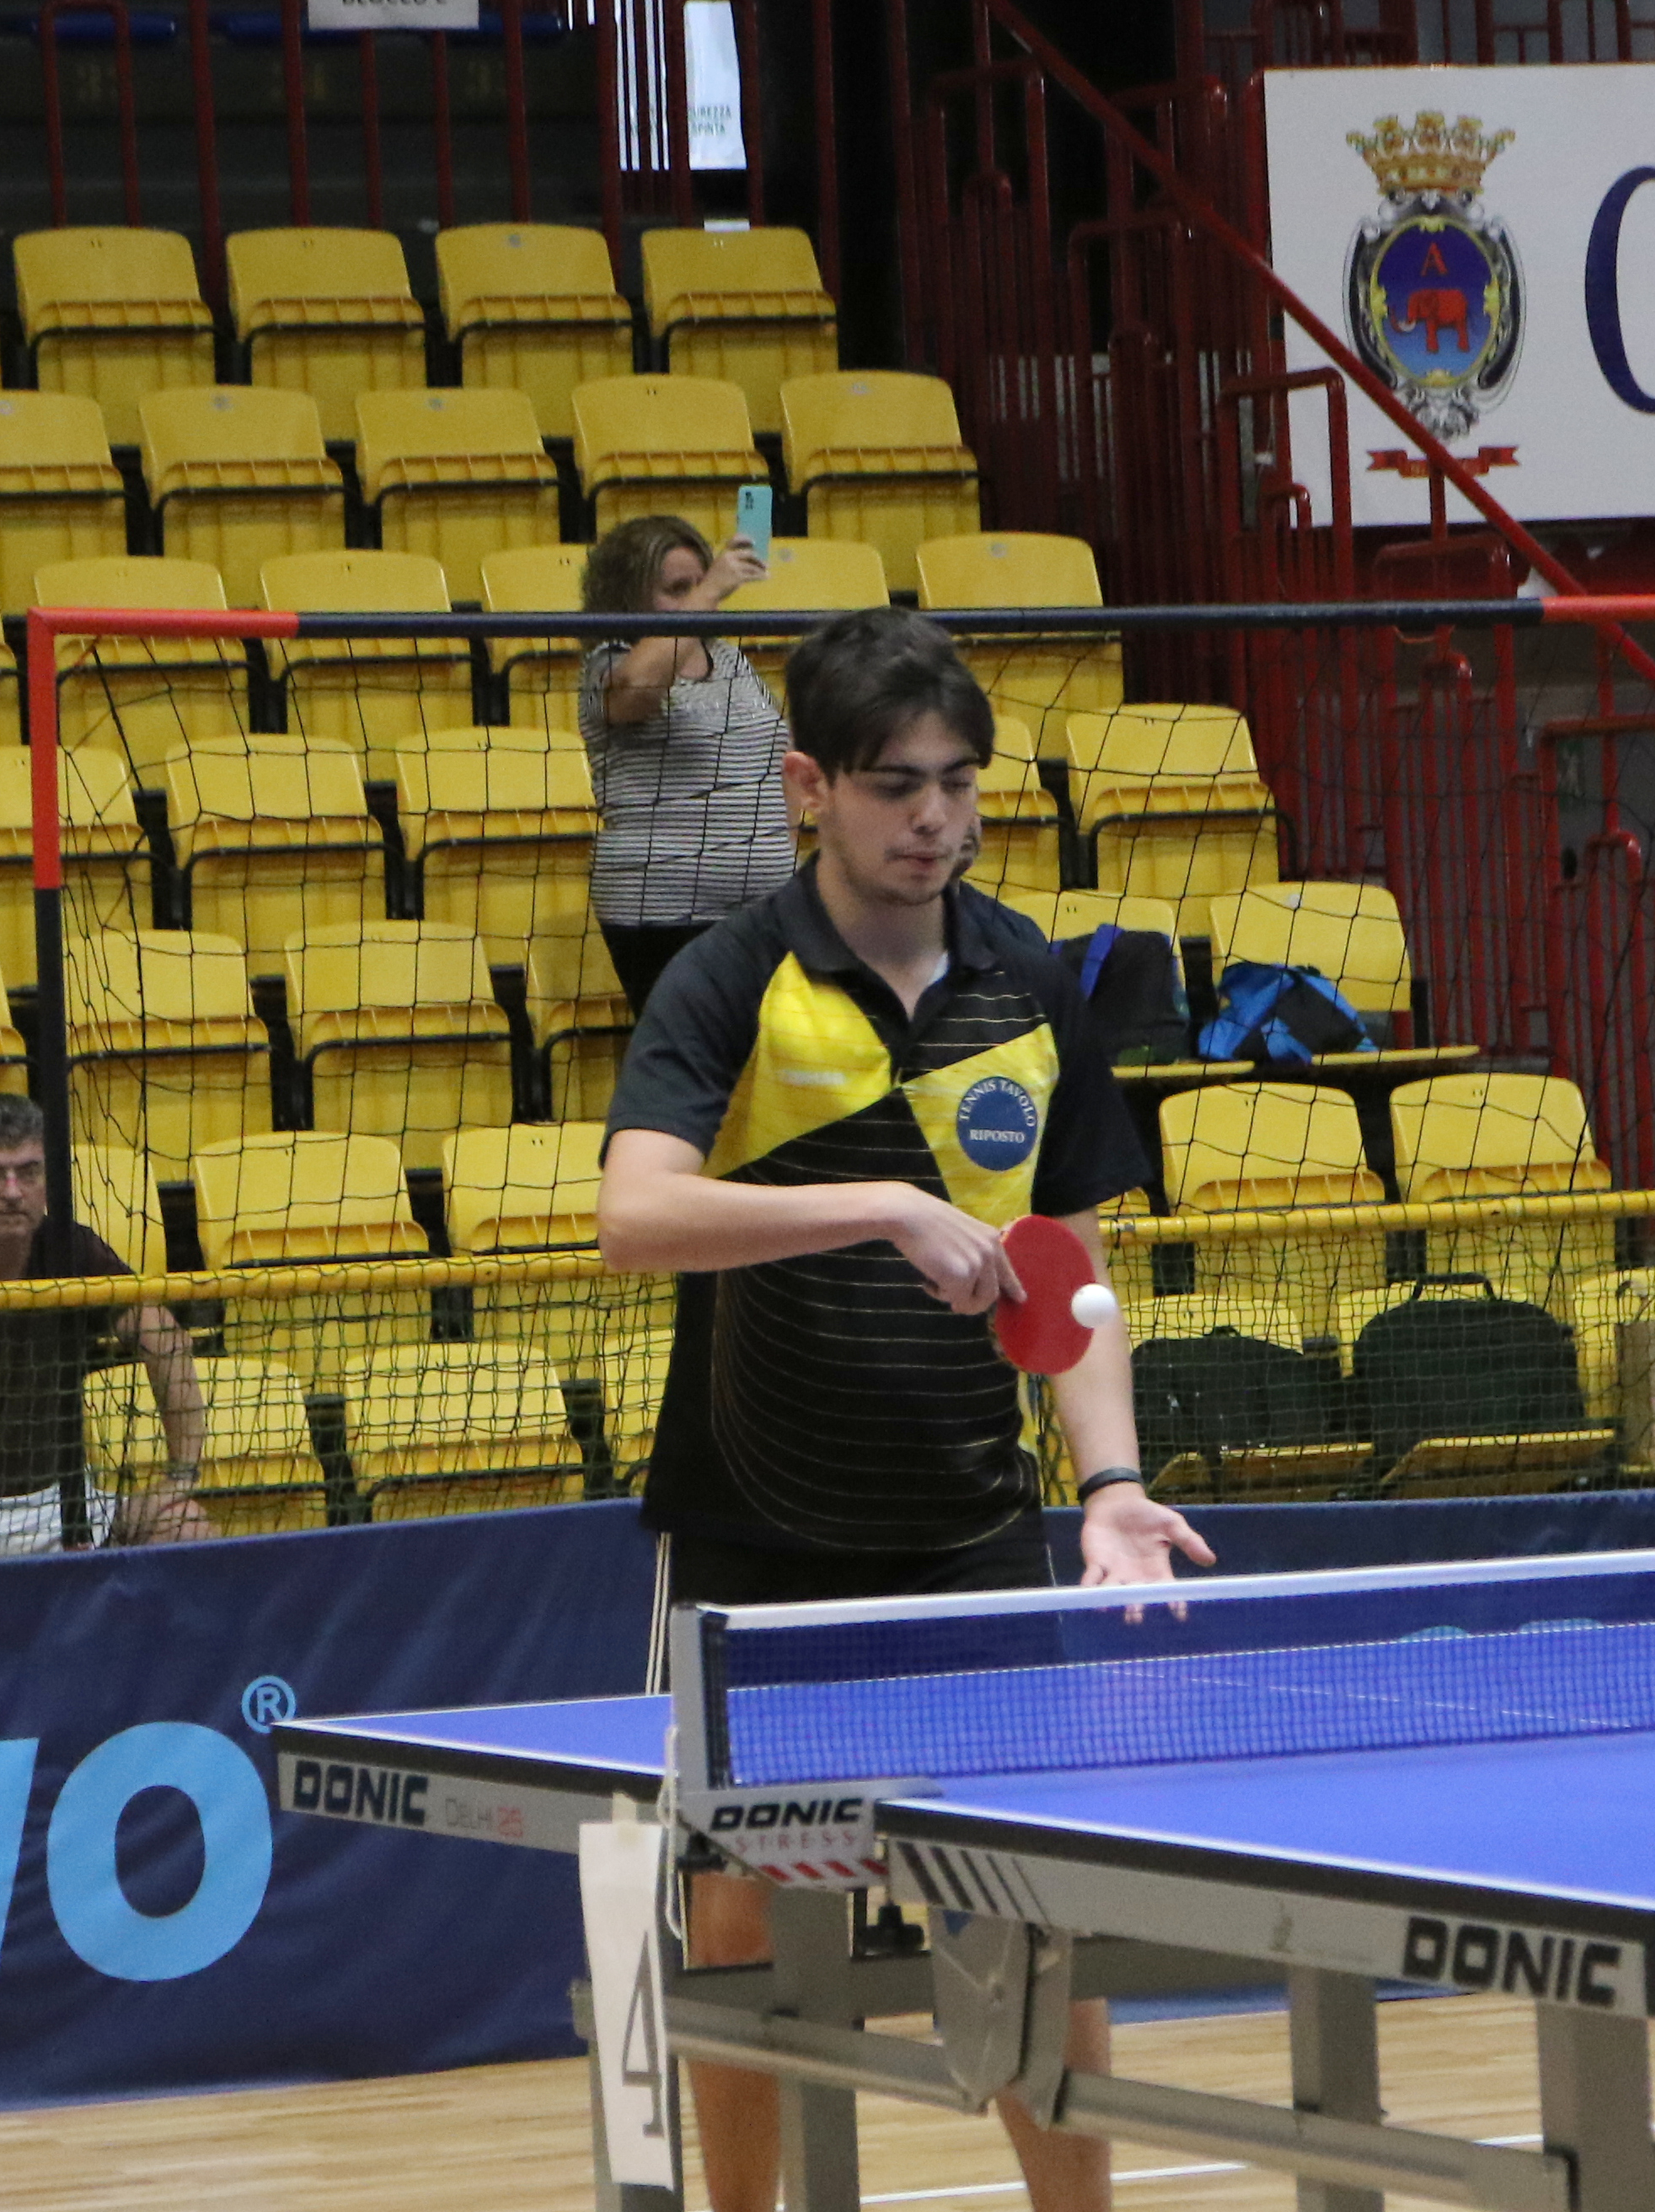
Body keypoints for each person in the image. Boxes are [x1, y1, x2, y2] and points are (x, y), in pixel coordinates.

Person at [597, 605, 1210, 2212]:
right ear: (810, 787)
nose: (933, 817)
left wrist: (1109, 1484)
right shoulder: (731, 979)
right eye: (894, 786)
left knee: (1018, 1909)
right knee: (744, 1916)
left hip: (962, 1527)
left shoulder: (1029, 980)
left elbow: (1067, 1272)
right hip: (756, 1525)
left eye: (957, 782)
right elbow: (634, 1217)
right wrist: (878, 1202)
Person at [578, 513, 793, 1013]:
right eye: (679, 589)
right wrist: (711, 591)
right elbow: (634, 692)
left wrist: (780, 845)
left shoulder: (729, 659)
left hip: (765, 910)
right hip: (666, 914)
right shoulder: (608, 662)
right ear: (627, 596)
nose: (700, 599)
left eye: (700, 584)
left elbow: (779, 751)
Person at [0, 1095, 208, 1554]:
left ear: (48, 1182)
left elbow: (165, 1339)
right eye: (0, 1174)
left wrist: (181, 1475)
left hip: (63, 1503)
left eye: (28, 1173)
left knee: (185, 1525)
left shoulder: (71, 1249)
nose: (12, 1192)